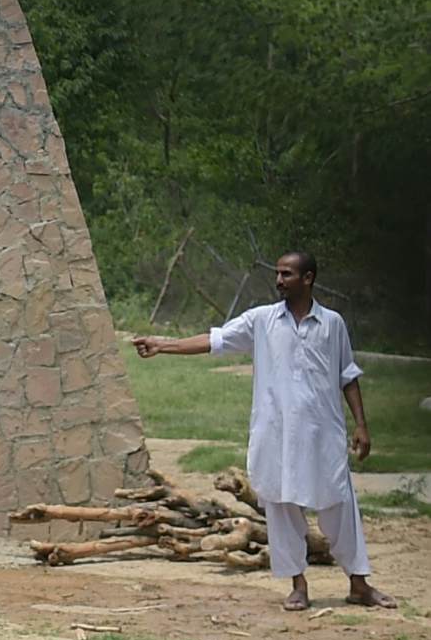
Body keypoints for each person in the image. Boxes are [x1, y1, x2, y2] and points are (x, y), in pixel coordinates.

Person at [134, 251, 396, 611]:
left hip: (323, 435)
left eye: (287, 274)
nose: (279, 280)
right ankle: (298, 585)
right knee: (282, 505)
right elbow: (215, 340)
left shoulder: (332, 324)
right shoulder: (261, 321)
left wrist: (362, 425)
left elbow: (347, 376)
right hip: (276, 436)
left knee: (339, 505)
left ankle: (359, 583)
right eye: (277, 274)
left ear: (308, 279)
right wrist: (162, 345)